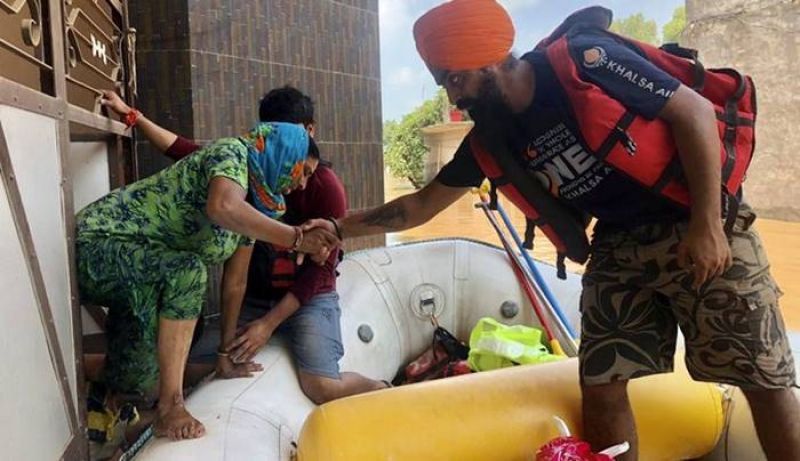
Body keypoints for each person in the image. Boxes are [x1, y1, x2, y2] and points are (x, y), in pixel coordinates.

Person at [304, 1, 800, 459]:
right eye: (444, 84)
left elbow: (690, 109)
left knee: (762, 377)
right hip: (620, 240)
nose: (454, 95)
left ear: (488, 59)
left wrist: (708, 224)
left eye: (455, 78)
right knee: (602, 381)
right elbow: (417, 207)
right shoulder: (489, 139)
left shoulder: (585, 60)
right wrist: (336, 226)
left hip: (694, 218)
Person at [101, 87, 388, 404]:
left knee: (322, 387)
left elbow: (321, 272)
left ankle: (384, 390)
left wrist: (268, 324)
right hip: (255, 297)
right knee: (188, 368)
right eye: (272, 133)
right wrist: (133, 117)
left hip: (307, 300)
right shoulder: (243, 175)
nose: (297, 181)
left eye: (303, 170)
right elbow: (187, 153)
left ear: (308, 132)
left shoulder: (323, 187)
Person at [77, 112, 337, 441]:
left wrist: (225, 356)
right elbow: (222, 207)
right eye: (304, 171)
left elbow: (235, 283)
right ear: (285, 154)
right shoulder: (232, 153)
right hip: (98, 245)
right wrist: (297, 238)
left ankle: (78, 376)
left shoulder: (257, 205)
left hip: (142, 272)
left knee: (138, 376)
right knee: (187, 271)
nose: (301, 184)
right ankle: (170, 407)